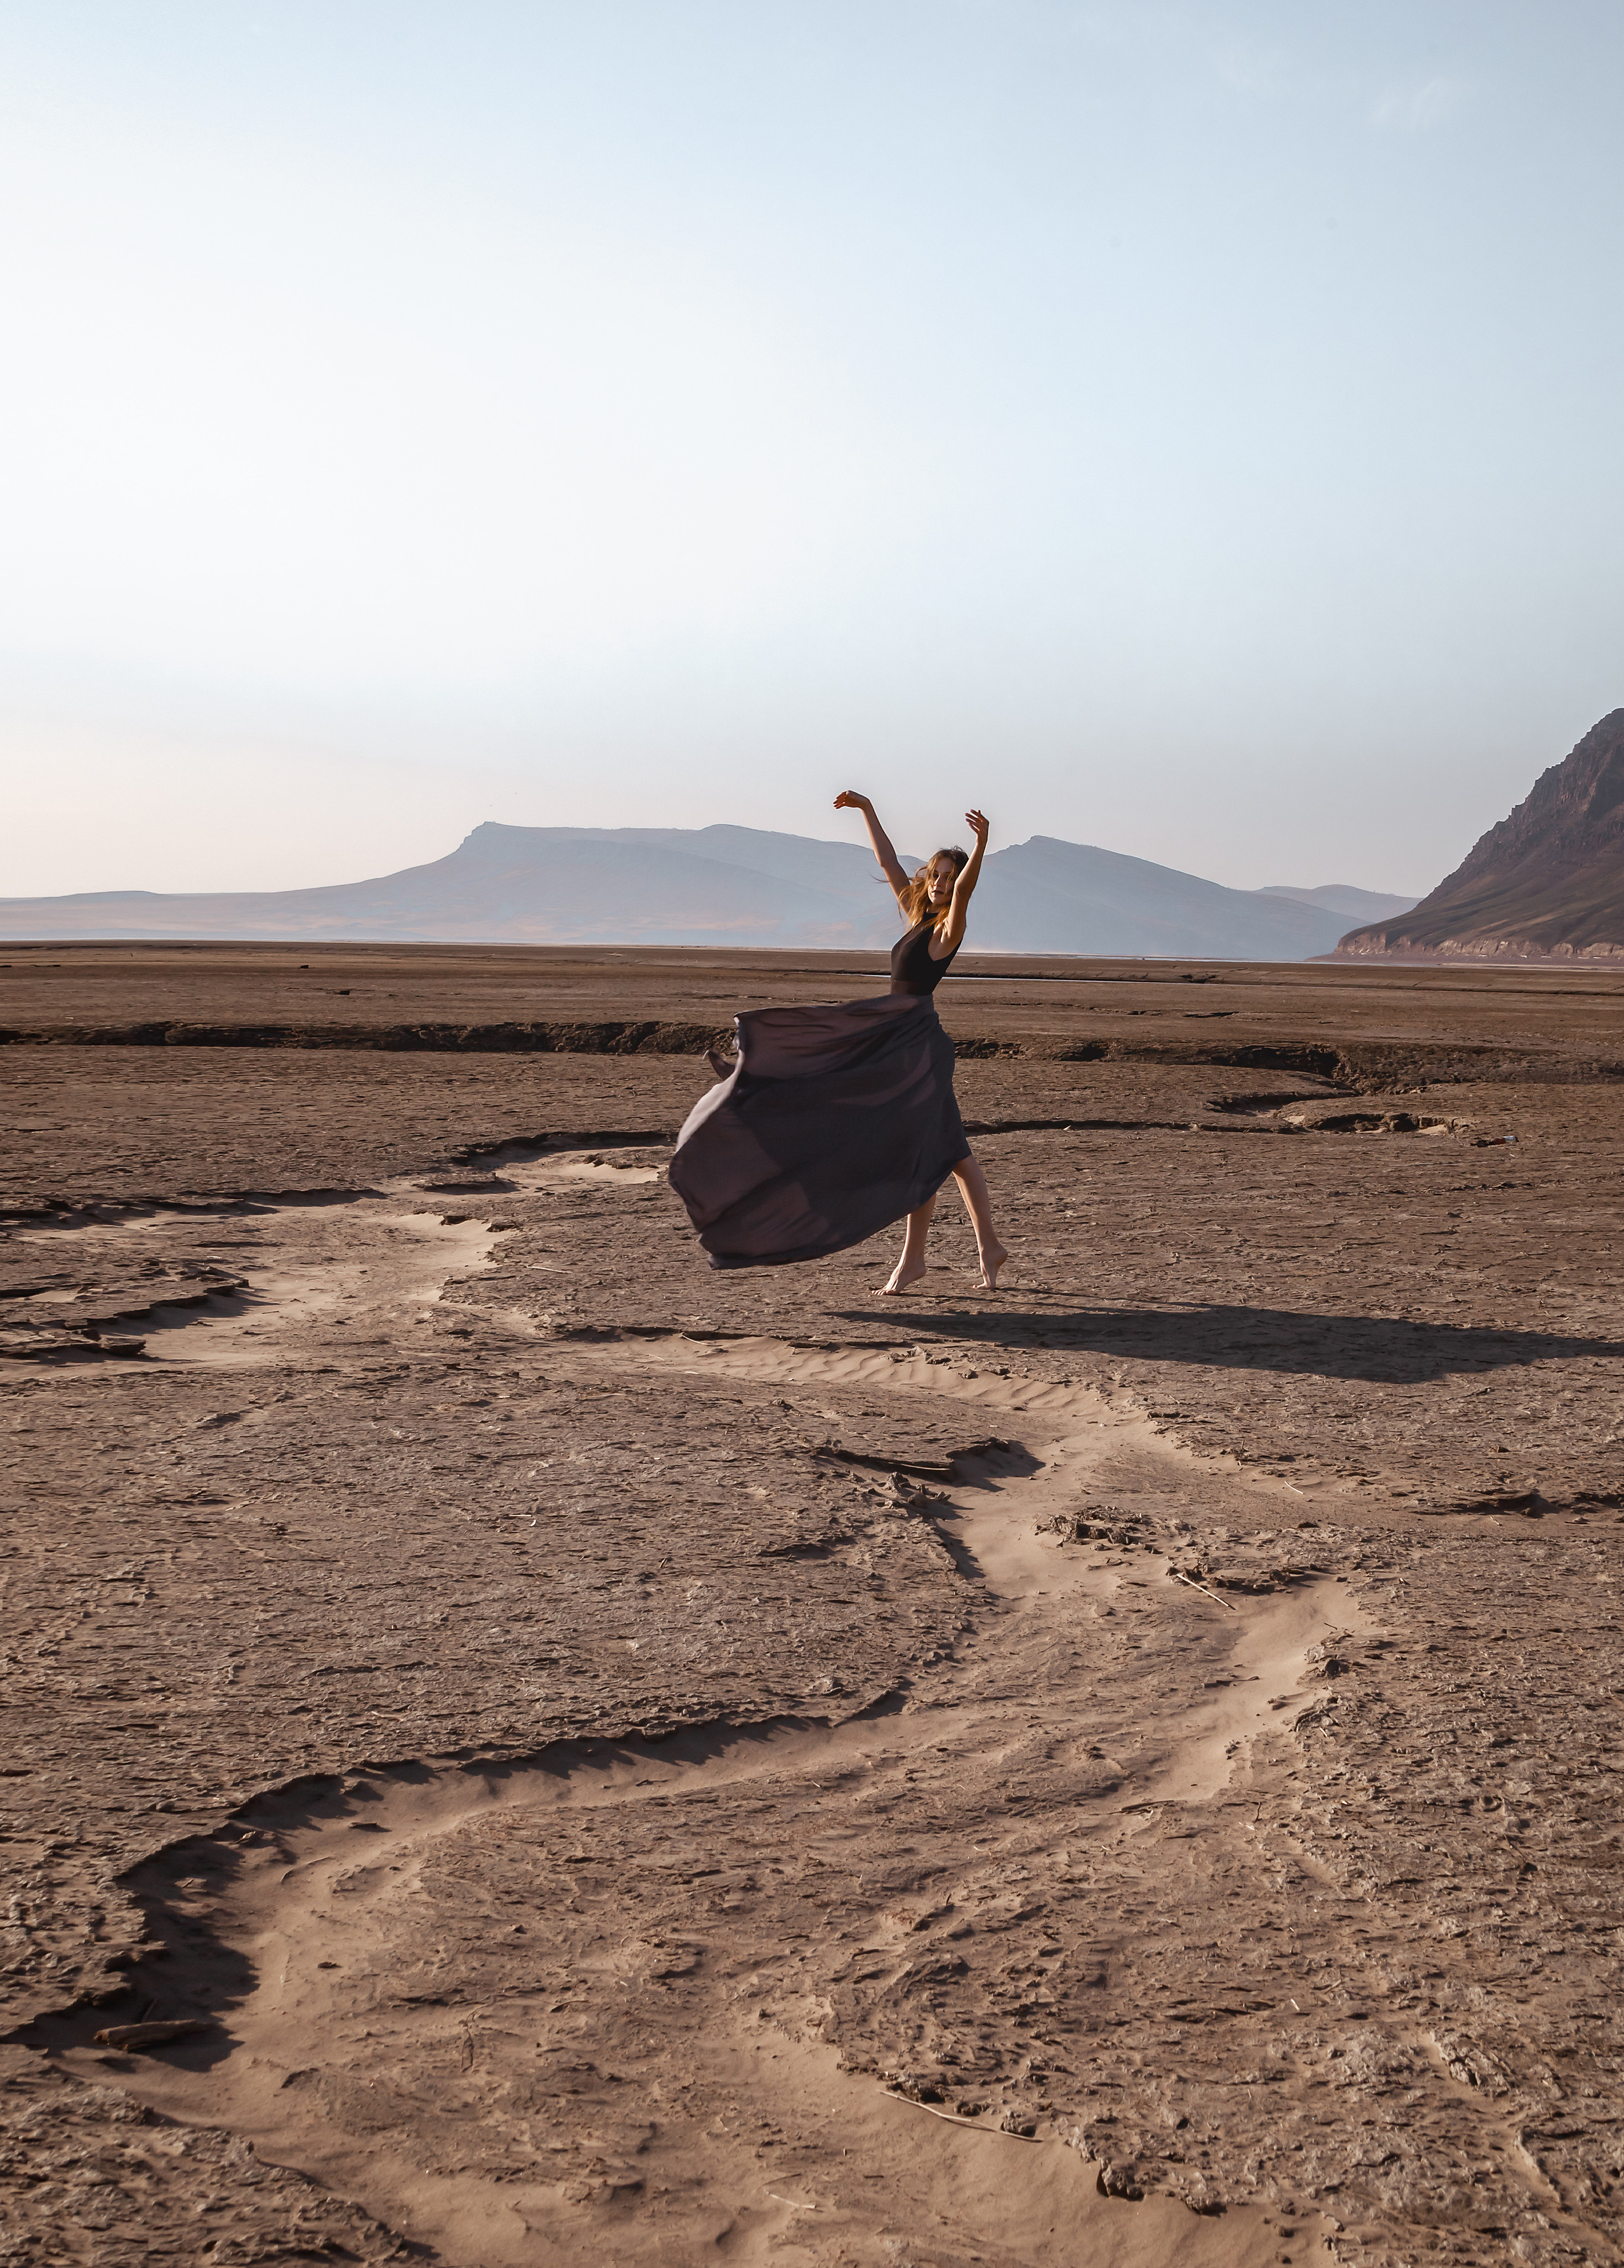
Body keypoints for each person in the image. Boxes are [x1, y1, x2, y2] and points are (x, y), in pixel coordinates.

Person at [666, 794, 1009, 1292]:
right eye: (935, 873)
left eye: (948, 877)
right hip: (897, 1037)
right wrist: (867, 808)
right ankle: (969, 1251)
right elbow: (888, 861)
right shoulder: (916, 918)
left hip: (916, 1045)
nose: (940, 882)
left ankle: (765, 1082)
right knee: (943, 1152)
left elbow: (965, 896)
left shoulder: (946, 931)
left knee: (936, 1149)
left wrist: (979, 849)